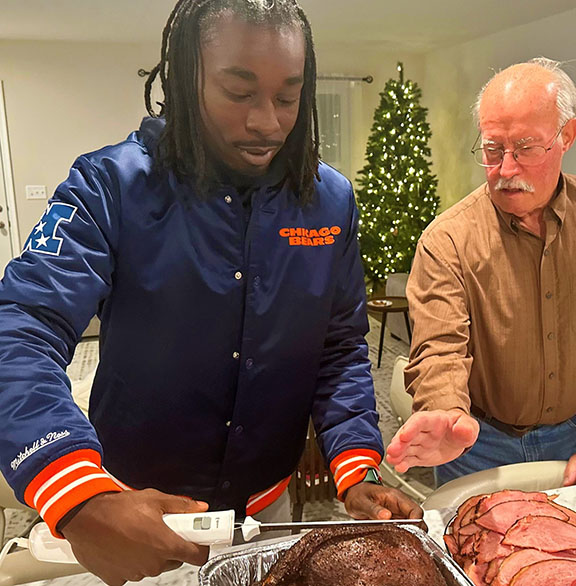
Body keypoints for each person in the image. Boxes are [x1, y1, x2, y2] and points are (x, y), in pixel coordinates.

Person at [0, 1, 421, 584]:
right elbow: (19, 328)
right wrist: (79, 495)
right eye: (239, 92)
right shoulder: (110, 186)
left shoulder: (329, 200)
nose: (268, 123)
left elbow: (341, 346)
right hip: (132, 507)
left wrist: (356, 466)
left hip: (267, 507)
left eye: (288, 95)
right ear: (184, 80)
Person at [386, 57, 576, 488]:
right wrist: (446, 412)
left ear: (567, 136)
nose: (506, 169)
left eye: (526, 147)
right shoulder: (447, 240)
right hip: (480, 446)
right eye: (493, 149)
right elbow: (441, 348)